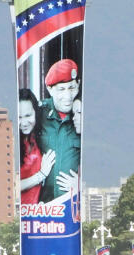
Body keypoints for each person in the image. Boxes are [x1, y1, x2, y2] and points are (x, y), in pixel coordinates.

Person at [38, 58, 81, 203]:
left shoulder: (82, 116)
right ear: (50, 90)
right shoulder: (38, 114)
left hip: (73, 205)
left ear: (79, 85)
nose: (67, 96)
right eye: (61, 89)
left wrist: (80, 184)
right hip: (42, 207)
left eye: (72, 88)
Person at [18, 88, 55, 205]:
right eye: (19, 117)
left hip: (37, 212)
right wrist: (41, 175)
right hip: (19, 214)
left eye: (28, 115)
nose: (24, 123)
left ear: (36, 112)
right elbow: (10, 186)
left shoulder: (37, 137)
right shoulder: (12, 143)